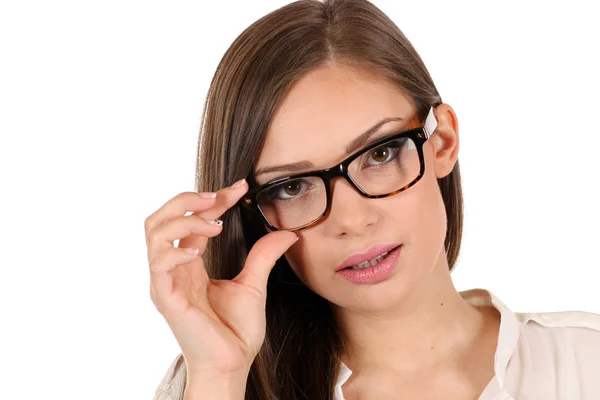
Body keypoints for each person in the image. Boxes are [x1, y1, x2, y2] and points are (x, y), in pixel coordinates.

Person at [144, 1, 600, 399]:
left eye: (379, 154)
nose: (353, 219)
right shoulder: (210, 384)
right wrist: (220, 375)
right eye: (292, 186)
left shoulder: (587, 363)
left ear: (441, 141)